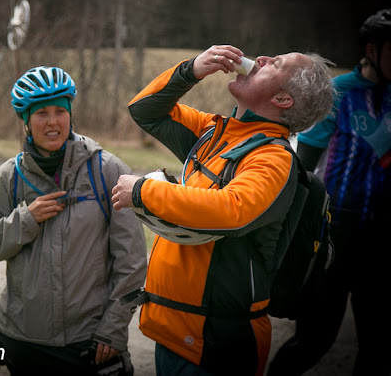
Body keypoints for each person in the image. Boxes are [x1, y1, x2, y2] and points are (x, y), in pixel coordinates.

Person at [111, 45, 336, 375]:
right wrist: (191, 71)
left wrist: (145, 192)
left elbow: (231, 209)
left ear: (283, 100)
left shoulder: (274, 159)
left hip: (213, 342)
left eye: (275, 63)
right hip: (174, 330)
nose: (260, 58)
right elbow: (145, 110)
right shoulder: (216, 132)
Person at [0, 66, 147, 375]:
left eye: (59, 111)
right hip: (21, 340)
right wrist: (26, 219)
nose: (52, 121)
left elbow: (132, 263)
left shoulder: (107, 171)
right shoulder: (9, 176)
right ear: (25, 120)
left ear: (70, 114)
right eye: (40, 113)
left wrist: (113, 329)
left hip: (87, 342)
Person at [268, 10, 391, 375]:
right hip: (335, 232)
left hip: (382, 238)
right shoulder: (339, 94)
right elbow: (302, 167)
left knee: (380, 345)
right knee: (314, 340)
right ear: (372, 48)